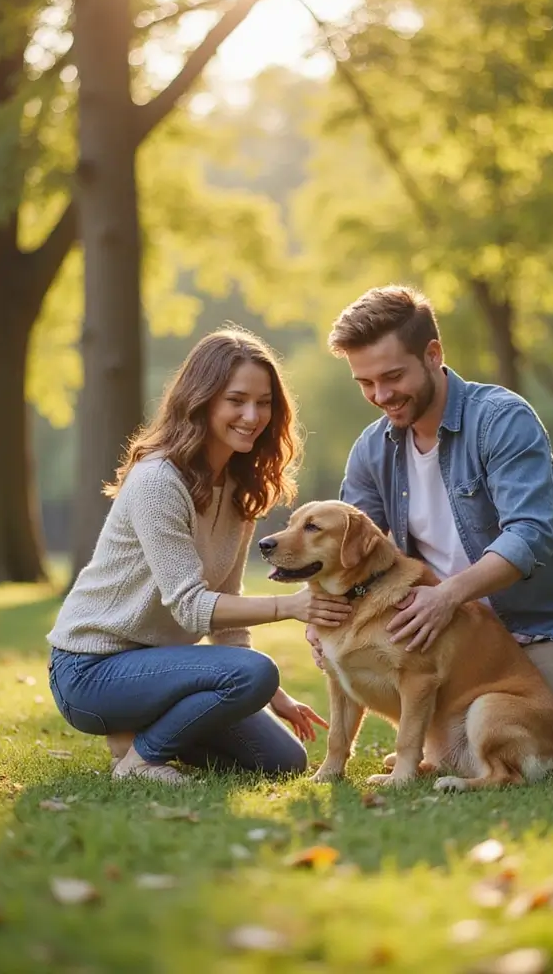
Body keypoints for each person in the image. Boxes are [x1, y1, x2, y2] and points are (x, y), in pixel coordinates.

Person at [306, 286, 553, 746]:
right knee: (452, 747)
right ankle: (439, 749)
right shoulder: (371, 450)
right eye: (366, 383)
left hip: (546, 633)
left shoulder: (502, 420)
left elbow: (531, 534)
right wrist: (322, 617)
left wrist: (447, 598)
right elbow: (351, 553)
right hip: (453, 644)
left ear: (433, 354)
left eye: (393, 376)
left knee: (528, 733)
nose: (381, 395)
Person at [47, 328, 352, 784]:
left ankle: (141, 732)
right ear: (202, 399)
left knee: (283, 761)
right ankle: (139, 761)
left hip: (164, 672)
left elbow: (225, 604)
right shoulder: (157, 482)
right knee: (255, 672)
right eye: (237, 400)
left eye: (264, 402)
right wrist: (289, 607)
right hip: (92, 671)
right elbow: (191, 607)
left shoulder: (237, 489)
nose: (252, 416)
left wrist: (274, 696)